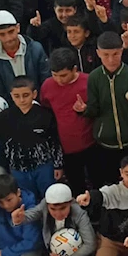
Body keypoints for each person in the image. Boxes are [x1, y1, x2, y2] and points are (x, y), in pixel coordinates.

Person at [76, 31, 128, 185]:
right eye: (106, 55)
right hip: (105, 145)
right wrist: (84, 109)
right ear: (98, 53)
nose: (111, 59)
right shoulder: (94, 78)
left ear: (122, 51)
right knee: (111, 184)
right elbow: (94, 110)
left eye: (115, 54)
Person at [0, 76, 62, 198]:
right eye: (17, 96)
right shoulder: (4, 117)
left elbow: (54, 141)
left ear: (34, 94)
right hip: (18, 168)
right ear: (11, 96)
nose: (21, 100)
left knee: (50, 195)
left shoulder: (45, 114)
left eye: (26, 95)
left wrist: (58, 165)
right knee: (26, 199)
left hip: (43, 166)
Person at [13, 183, 96, 256]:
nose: (58, 213)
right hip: (55, 252)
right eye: (53, 209)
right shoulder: (44, 205)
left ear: (70, 203)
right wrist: (20, 218)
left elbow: (90, 243)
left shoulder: (79, 213)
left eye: (63, 208)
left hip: (77, 252)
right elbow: (32, 214)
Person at [41, 48, 96, 195]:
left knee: (97, 182)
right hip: (66, 148)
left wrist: (86, 109)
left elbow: (101, 109)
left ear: (74, 69)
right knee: (77, 187)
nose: (59, 80)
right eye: (55, 75)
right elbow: (46, 111)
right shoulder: (47, 86)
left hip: (92, 144)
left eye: (63, 75)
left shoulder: (89, 81)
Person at [0, 10, 51, 98]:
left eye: (11, 32)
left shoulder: (35, 49)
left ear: (18, 28)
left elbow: (46, 80)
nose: (8, 38)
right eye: (2, 34)